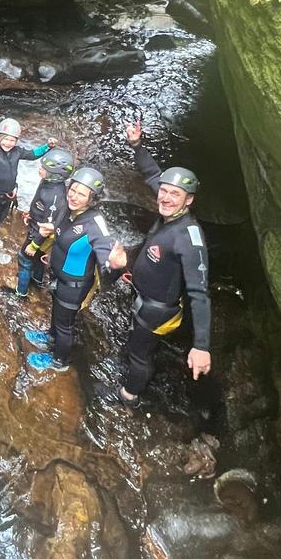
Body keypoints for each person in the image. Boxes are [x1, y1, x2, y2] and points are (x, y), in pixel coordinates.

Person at [115, 120, 211, 407]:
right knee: (137, 341)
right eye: (164, 191)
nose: (166, 197)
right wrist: (136, 145)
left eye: (174, 194)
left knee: (139, 353)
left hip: (158, 309)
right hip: (145, 295)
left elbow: (200, 293)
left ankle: (129, 396)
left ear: (189, 201)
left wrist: (202, 346)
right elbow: (152, 173)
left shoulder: (188, 238)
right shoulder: (169, 207)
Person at [25, 165, 127, 372]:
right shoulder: (68, 209)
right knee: (57, 313)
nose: (73, 196)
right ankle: (50, 336)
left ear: (93, 198)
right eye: (73, 190)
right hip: (59, 277)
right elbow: (69, 231)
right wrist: (52, 230)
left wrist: (114, 265)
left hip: (75, 285)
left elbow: (104, 249)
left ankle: (58, 361)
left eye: (81, 194)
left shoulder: (95, 223)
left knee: (65, 325)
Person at [0, 119, 52, 264]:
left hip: (8, 195)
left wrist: (48, 146)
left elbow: (33, 154)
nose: (9, 143)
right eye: (6, 139)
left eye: (12, 140)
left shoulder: (17, 152)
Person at [13, 148, 76, 297]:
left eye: (44, 168)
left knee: (24, 258)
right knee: (37, 258)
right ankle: (36, 281)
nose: (39, 169)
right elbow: (39, 203)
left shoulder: (55, 197)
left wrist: (34, 245)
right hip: (36, 224)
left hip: (39, 233)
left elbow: (48, 228)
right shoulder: (48, 183)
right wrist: (32, 213)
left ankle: (20, 293)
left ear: (55, 175)